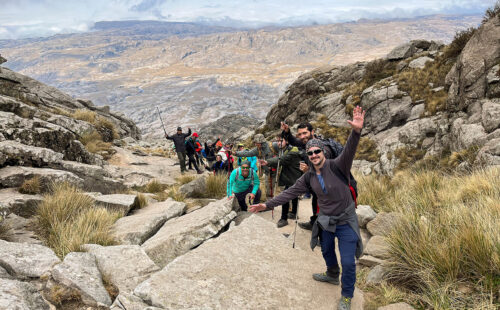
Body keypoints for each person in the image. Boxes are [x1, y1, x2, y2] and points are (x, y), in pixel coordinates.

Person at [250, 106, 365, 310]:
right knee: (327, 251)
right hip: (326, 220)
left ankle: (346, 295)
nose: (313, 155)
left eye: (317, 151)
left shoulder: (339, 165)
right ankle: (331, 274)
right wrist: (266, 204)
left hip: (346, 220)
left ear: (323, 152)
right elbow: (289, 193)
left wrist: (356, 131)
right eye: (310, 153)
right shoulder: (308, 177)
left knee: (348, 261)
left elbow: (350, 148)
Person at [281, 122, 344, 230]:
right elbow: (295, 142)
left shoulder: (323, 149)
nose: (302, 137)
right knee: (316, 201)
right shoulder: (308, 143)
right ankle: (314, 222)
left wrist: (308, 170)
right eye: (300, 134)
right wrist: (287, 132)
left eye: (305, 133)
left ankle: (323, 235)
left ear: (312, 132)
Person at [259, 137, 302, 227]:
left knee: (285, 196)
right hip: (293, 176)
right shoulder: (285, 149)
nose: (279, 143)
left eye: (281, 141)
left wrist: (267, 162)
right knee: (294, 195)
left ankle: (284, 218)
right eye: (278, 141)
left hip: (293, 176)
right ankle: (294, 213)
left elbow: (281, 160)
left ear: (287, 141)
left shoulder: (292, 151)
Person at [234, 134, 274, 198]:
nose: (255, 144)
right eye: (255, 143)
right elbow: (248, 153)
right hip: (268, 172)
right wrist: (236, 153)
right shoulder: (257, 149)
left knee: (282, 188)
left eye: (257, 143)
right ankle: (270, 204)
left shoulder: (272, 146)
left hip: (277, 171)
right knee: (268, 188)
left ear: (262, 142)